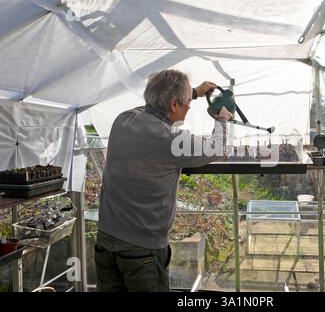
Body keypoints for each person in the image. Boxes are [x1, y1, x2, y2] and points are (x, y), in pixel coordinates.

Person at [95, 70, 233, 291]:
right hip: (142, 251)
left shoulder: (123, 119)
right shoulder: (170, 141)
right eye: (187, 102)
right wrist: (222, 120)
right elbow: (216, 148)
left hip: (105, 240)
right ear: (173, 104)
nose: (189, 106)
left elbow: (152, 105)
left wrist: (195, 93)